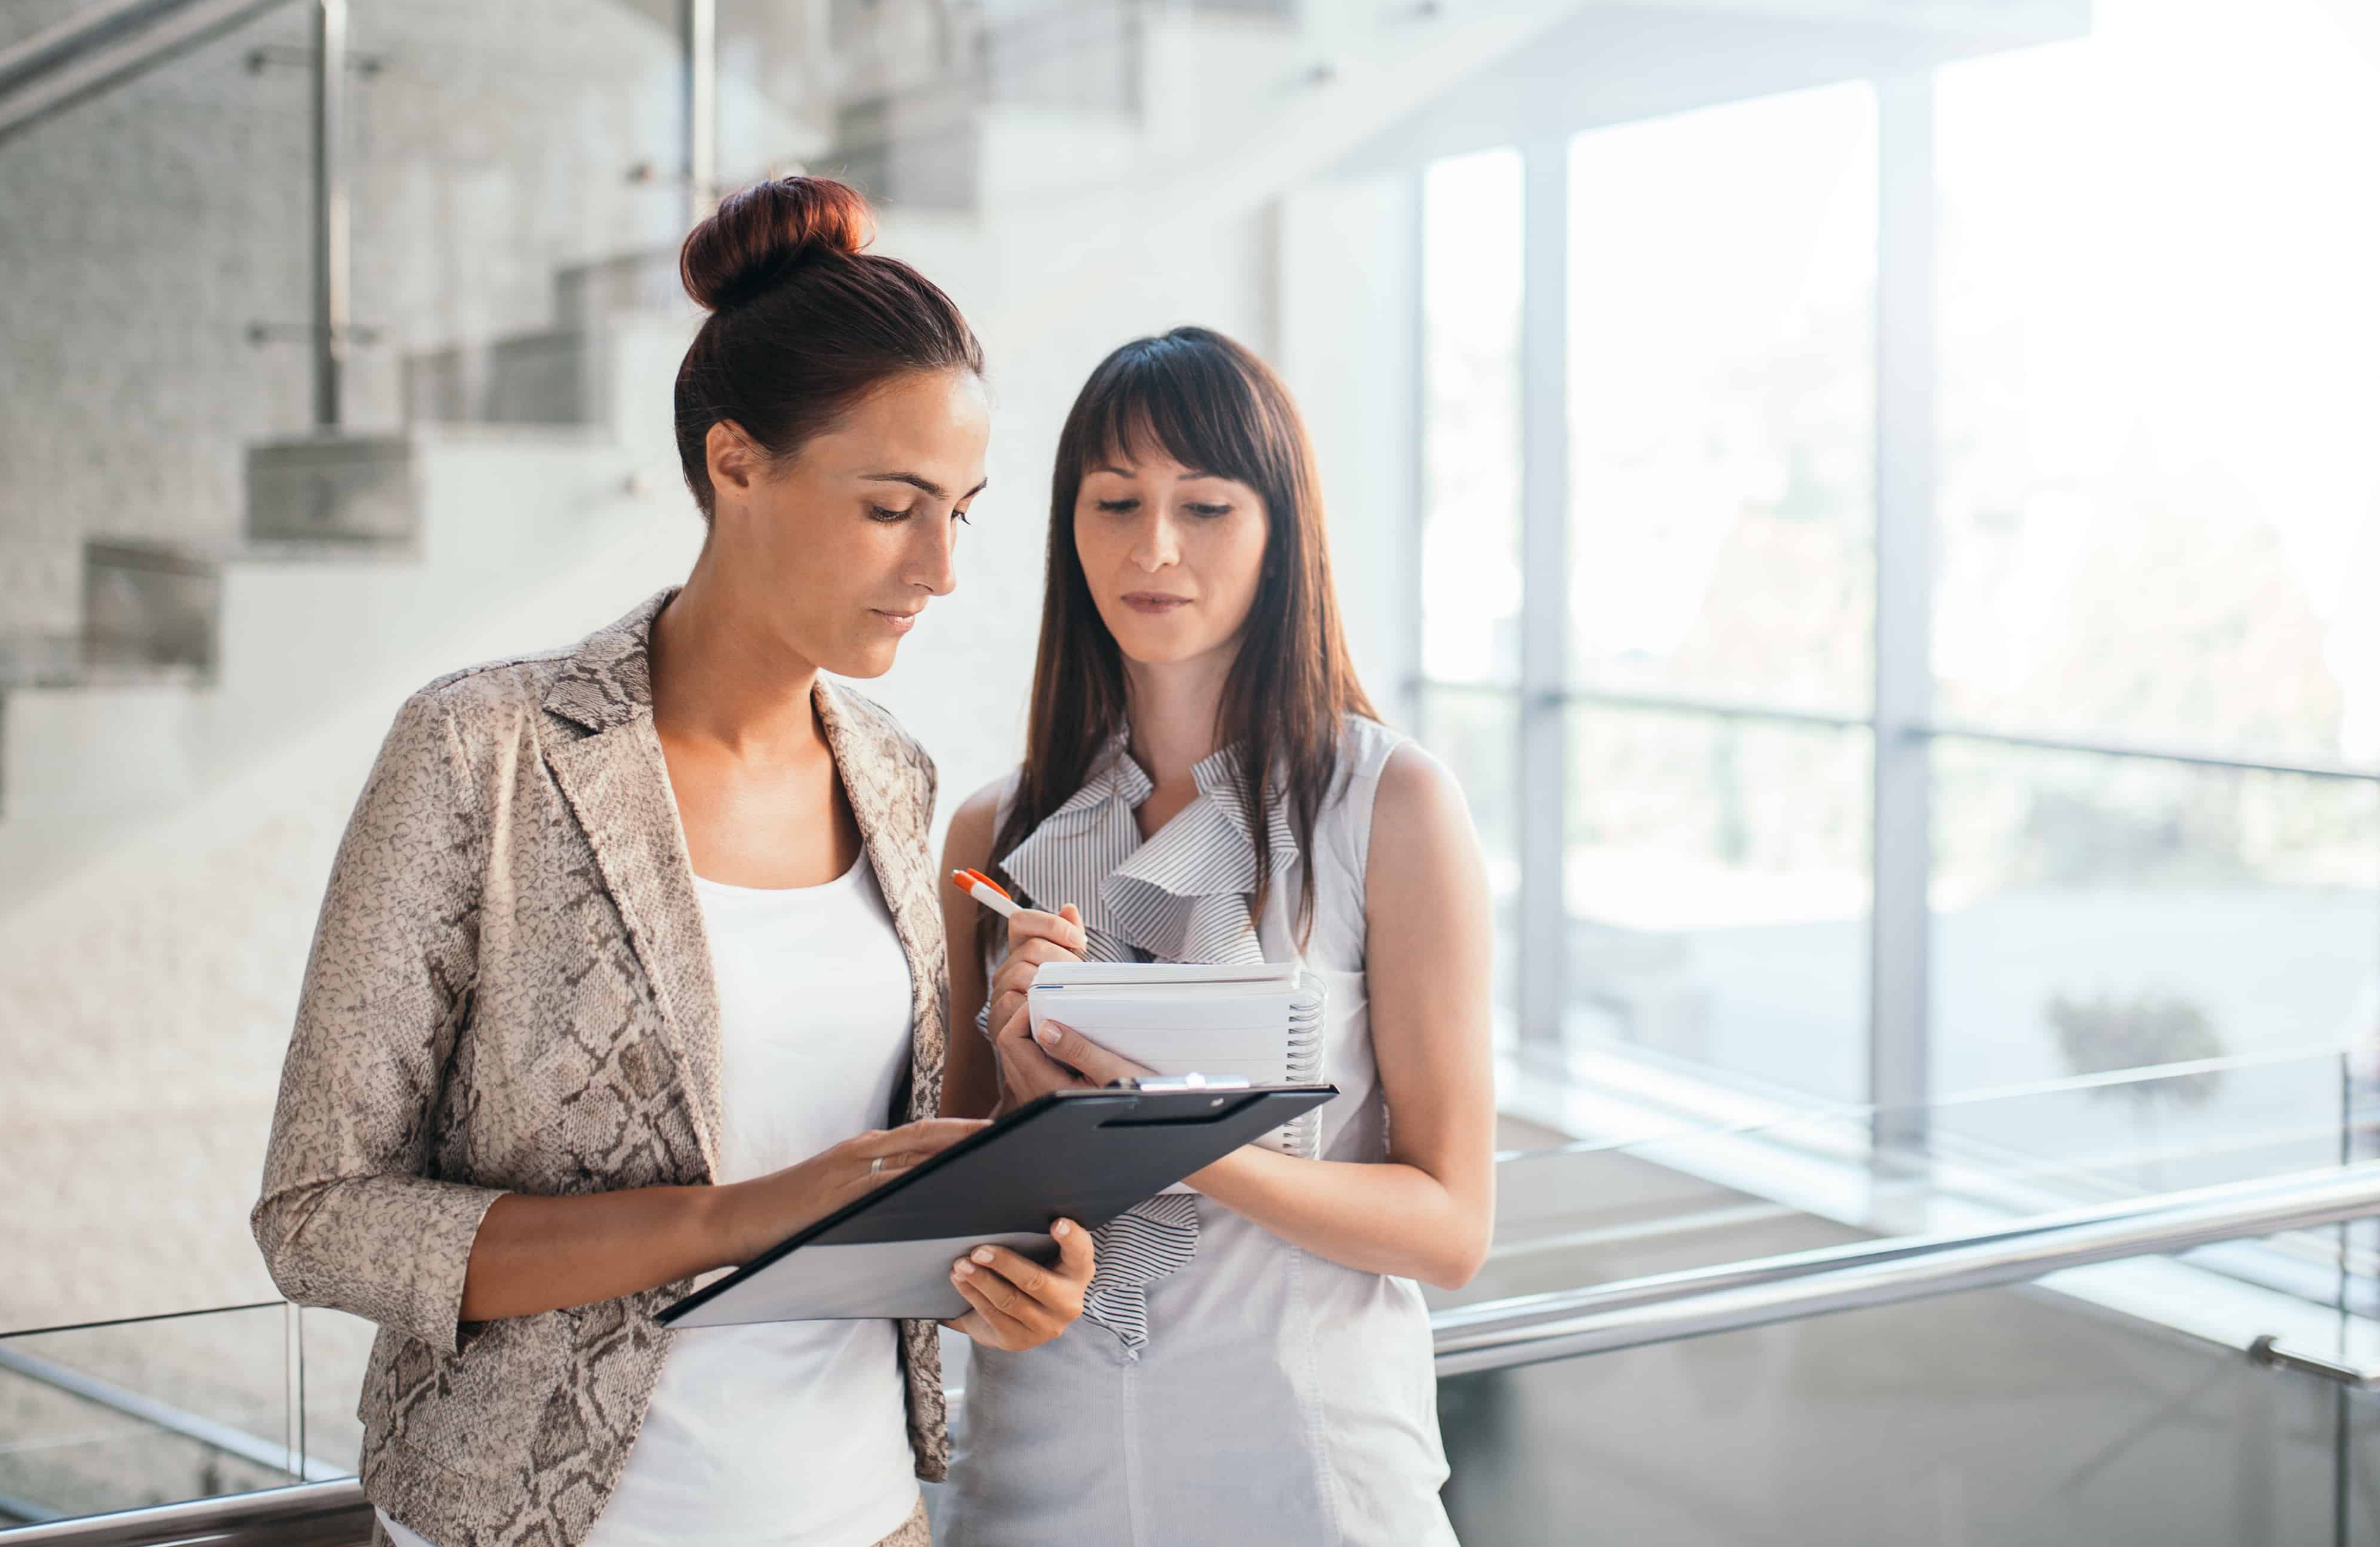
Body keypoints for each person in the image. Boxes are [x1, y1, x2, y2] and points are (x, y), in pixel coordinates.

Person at [254, 176, 1096, 1547]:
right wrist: (748, 1215)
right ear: (735, 464)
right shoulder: (486, 754)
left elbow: (873, 1183)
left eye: (962, 508)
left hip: (864, 1513)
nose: (942, 566)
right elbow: (320, 1218)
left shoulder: (895, 775)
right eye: (894, 505)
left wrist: (1004, 1254)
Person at [935, 325, 1497, 1546]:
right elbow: (947, 1202)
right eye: (1115, 502)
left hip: (1307, 1459)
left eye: (1206, 506)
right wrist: (1027, 1105)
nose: (1154, 548)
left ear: (1278, 529)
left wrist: (1162, 1131)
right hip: (1041, 1454)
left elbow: (1452, 1227)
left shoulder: (1388, 806)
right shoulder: (996, 830)